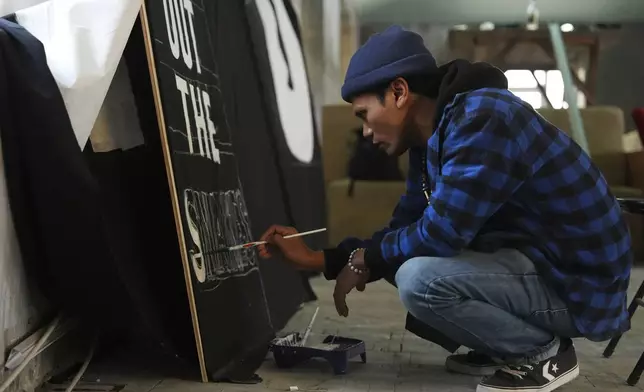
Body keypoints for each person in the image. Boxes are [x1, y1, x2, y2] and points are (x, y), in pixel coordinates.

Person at [258, 25, 632, 392]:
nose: (366, 132)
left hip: (580, 285)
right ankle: (500, 343)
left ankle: (542, 353)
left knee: (419, 279)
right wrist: (322, 259)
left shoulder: (482, 117)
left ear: (399, 91)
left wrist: (364, 259)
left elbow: (440, 233)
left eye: (363, 114)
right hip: (539, 263)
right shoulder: (432, 139)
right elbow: (405, 227)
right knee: (404, 255)